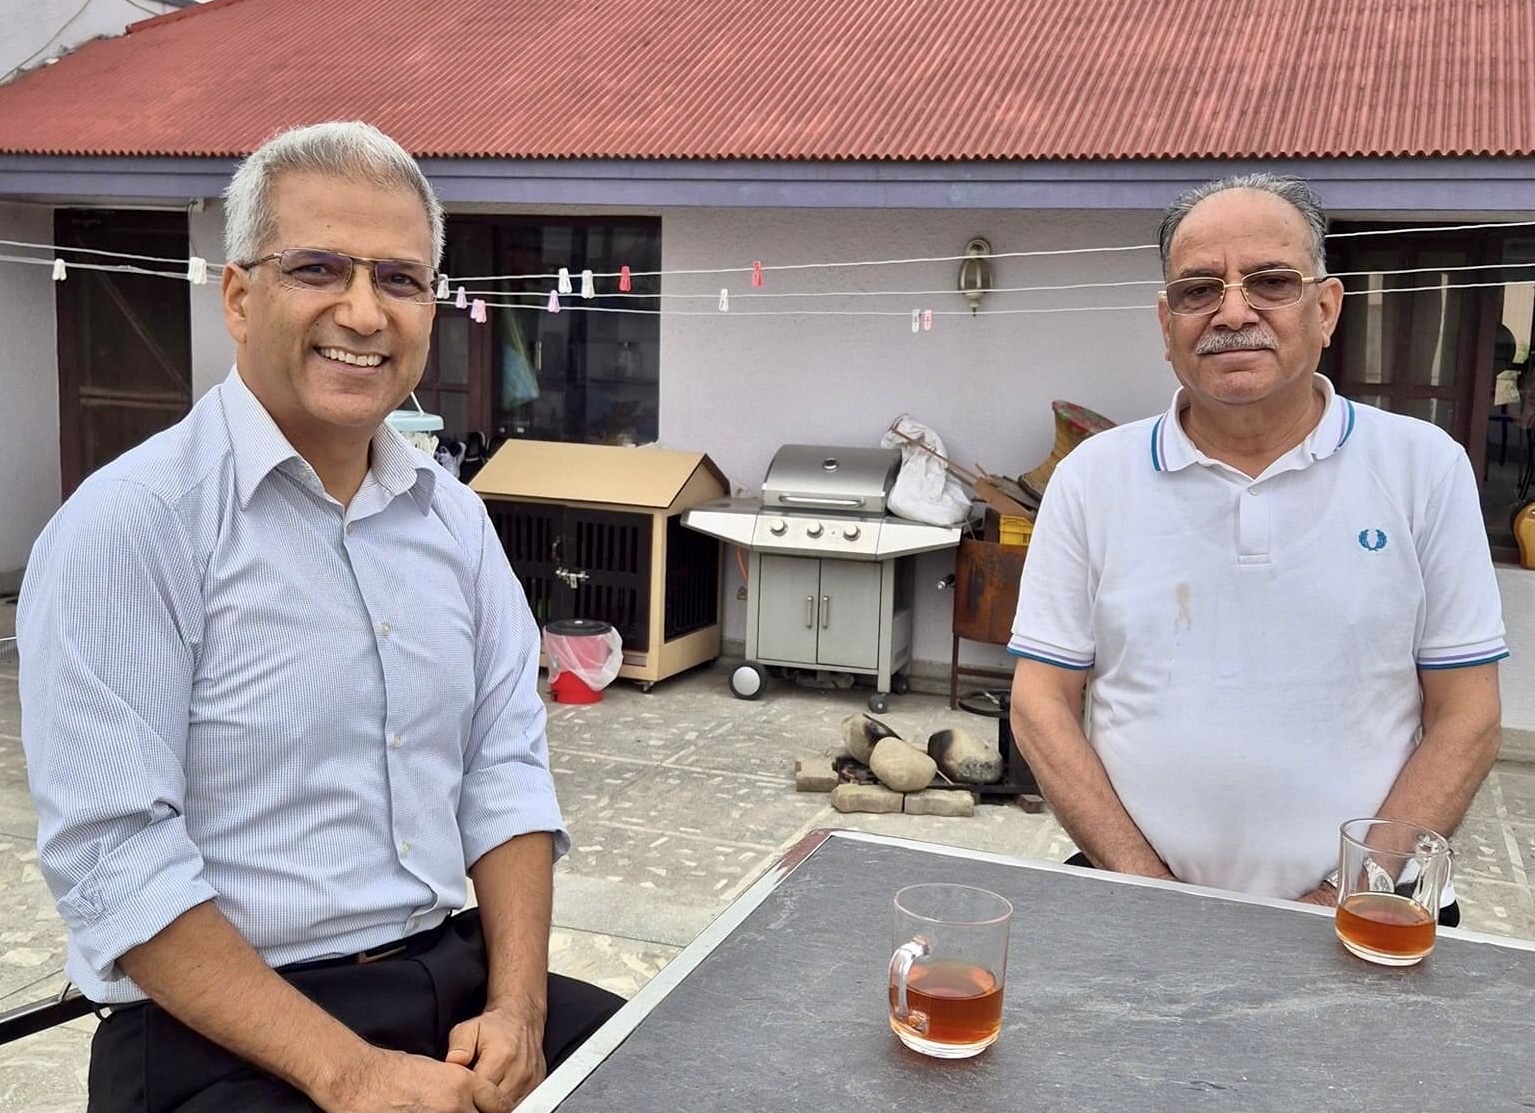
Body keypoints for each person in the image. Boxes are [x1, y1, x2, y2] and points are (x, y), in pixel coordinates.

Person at [17, 121, 623, 1113]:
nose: (364, 312)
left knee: (683, 1066)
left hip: (452, 980)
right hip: (220, 1030)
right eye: (318, 268)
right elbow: (115, 862)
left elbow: (502, 770)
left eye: (399, 279)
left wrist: (517, 1009)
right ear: (238, 295)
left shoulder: (454, 523)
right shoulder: (133, 527)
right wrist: (350, 1073)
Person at [1008, 173, 1507, 921]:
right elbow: (1039, 701)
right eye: (1198, 289)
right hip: (1136, 902)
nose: (1233, 312)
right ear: (1166, 323)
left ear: (1325, 309)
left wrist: (1347, 895)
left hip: (1371, 915)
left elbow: (1467, 716)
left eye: (1270, 281)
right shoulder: (1090, 479)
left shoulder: (1423, 467)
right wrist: (1148, 887)